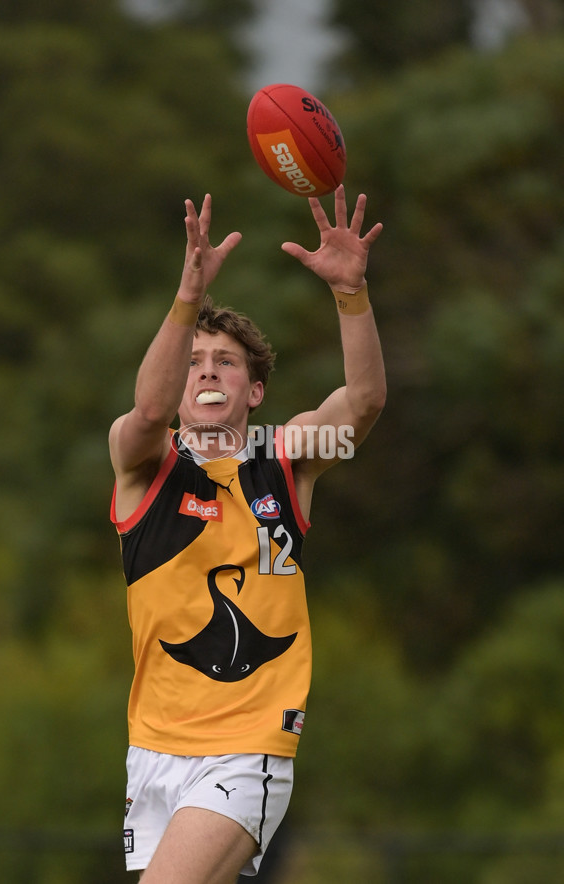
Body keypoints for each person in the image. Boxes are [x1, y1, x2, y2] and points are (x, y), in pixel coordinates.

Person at [108, 184, 386, 883]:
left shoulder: (282, 459)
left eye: (226, 362)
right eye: (195, 361)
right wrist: (186, 296)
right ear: (179, 385)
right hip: (153, 745)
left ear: (253, 392)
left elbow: (363, 403)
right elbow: (146, 407)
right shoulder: (143, 463)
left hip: (246, 745)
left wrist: (351, 294)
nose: (207, 370)